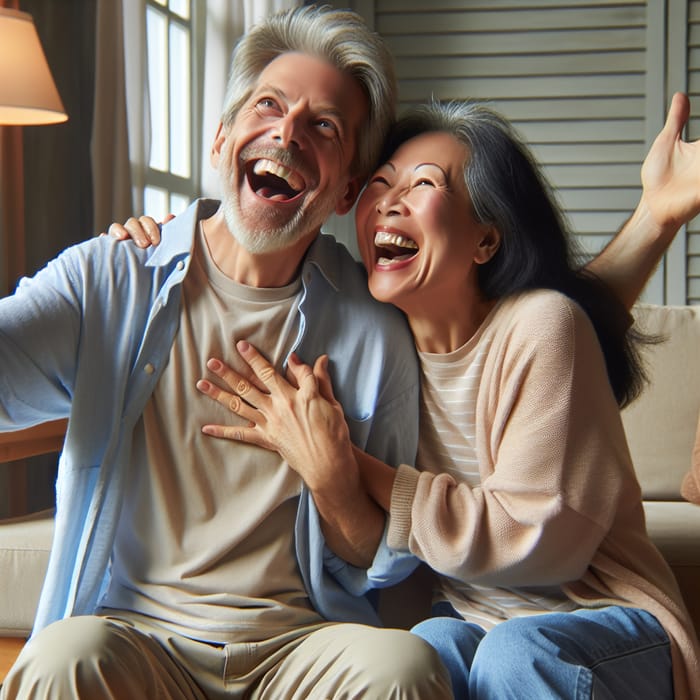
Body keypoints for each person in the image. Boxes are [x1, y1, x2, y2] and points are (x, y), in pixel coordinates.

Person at [0, 6, 454, 698]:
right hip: (136, 639)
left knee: (405, 671)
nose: (288, 133)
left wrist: (334, 480)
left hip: (297, 646)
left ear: (346, 192)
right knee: (64, 656)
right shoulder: (113, 275)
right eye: (269, 106)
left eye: (323, 126)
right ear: (221, 141)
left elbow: (380, 564)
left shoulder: (373, 327)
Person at [186, 100, 700, 698]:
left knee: (517, 655)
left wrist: (349, 463)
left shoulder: (543, 325)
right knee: (414, 653)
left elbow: (540, 543)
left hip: (603, 621)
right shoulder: (374, 339)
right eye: (380, 182)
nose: (390, 201)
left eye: (424, 183)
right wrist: (149, 239)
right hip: (475, 620)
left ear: (486, 239)